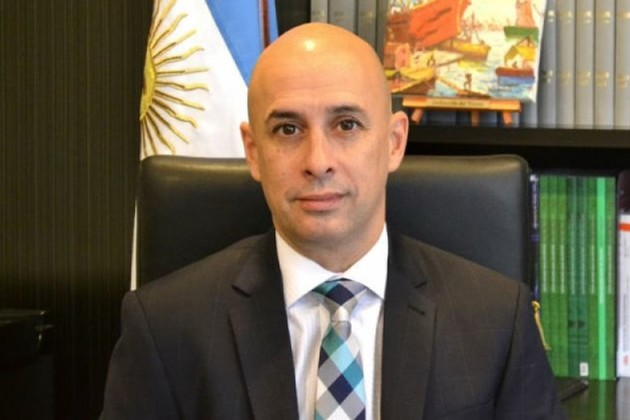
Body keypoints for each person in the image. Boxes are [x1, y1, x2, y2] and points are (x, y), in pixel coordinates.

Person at [101, 23, 565, 419]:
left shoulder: (496, 319)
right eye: (288, 129)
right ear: (253, 152)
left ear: (394, 143)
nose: (317, 161)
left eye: (346, 125)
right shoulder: (165, 328)